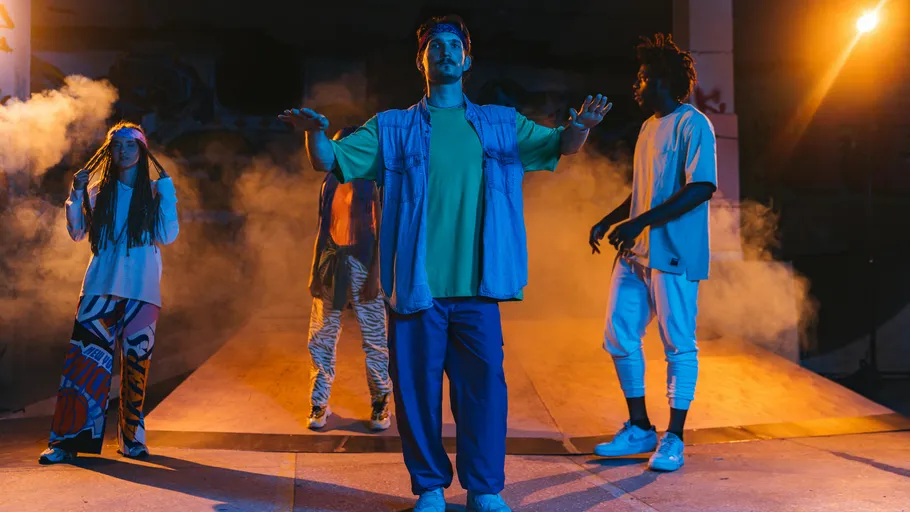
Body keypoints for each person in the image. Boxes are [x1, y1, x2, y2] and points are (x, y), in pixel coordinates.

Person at [280, 14, 610, 512]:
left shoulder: (500, 122)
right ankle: (431, 486)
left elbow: (558, 146)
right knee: (415, 396)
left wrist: (580, 127)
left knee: (484, 394)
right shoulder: (392, 127)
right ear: (422, 61)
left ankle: (484, 487)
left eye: (455, 46)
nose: (446, 53)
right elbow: (328, 160)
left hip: (478, 286)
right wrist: (312, 134)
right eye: (436, 47)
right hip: (416, 288)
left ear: (468, 59)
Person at [588, 33, 718, 472]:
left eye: (643, 78)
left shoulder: (693, 123)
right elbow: (644, 192)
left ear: (663, 80)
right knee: (619, 334)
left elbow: (700, 188)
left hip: (674, 252)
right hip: (636, 252)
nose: (636, 85)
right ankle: (640, 426)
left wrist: (641, 222)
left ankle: (674, 437)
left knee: (678, 343)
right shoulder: (649, 127)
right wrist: (611, 218)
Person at [38, 122, 180, 464]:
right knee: (83, 368)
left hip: (142, 292)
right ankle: (67, 442)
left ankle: (132, 441)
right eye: (116, 145)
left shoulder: (154, 191)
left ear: (142, 151)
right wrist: (76, 193)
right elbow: (77, 232)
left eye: (131, 145)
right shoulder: (99, 190)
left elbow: (168, 234)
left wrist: (169, 192)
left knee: (136, 370)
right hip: (99, 288)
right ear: (109, 151)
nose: (123, 151)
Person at [306, 126, 392, 431]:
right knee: (321, 338)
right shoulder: (329, 182)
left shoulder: (373, 183)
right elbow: (322, 225)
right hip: (332, 263)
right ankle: (319, 405)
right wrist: (315, 270)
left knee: (374, 340)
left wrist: (376, 276)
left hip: (363, 263)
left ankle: (380, 403)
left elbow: (382, 234)